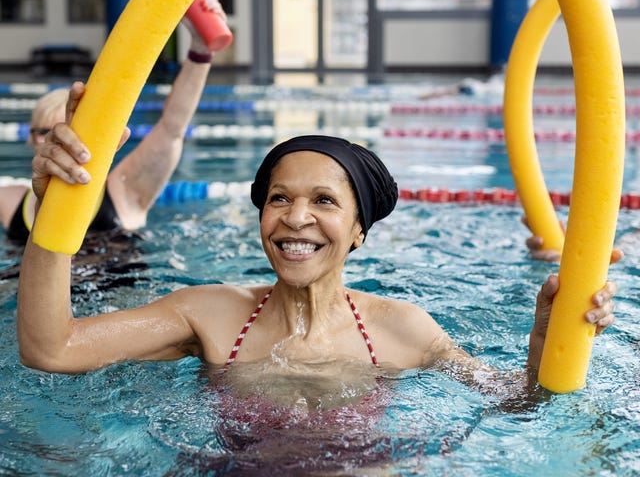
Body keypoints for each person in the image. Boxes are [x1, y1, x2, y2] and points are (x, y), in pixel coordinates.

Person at [17, 105, 617, 404]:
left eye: (324, 200)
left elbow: (522, 402)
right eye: (278, 198)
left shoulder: (406, 330)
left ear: (358, 231)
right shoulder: (207, 314)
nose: (295, 218)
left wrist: (547, 334)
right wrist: (56, 212)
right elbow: (51, 348)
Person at [0, 0, 227, 248]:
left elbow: (172, 128)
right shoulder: (9, 201)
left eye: (66, 132)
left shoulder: (124, 191)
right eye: (45, 132)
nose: (56, 142)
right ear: (30, 139)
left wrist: (200, 48)